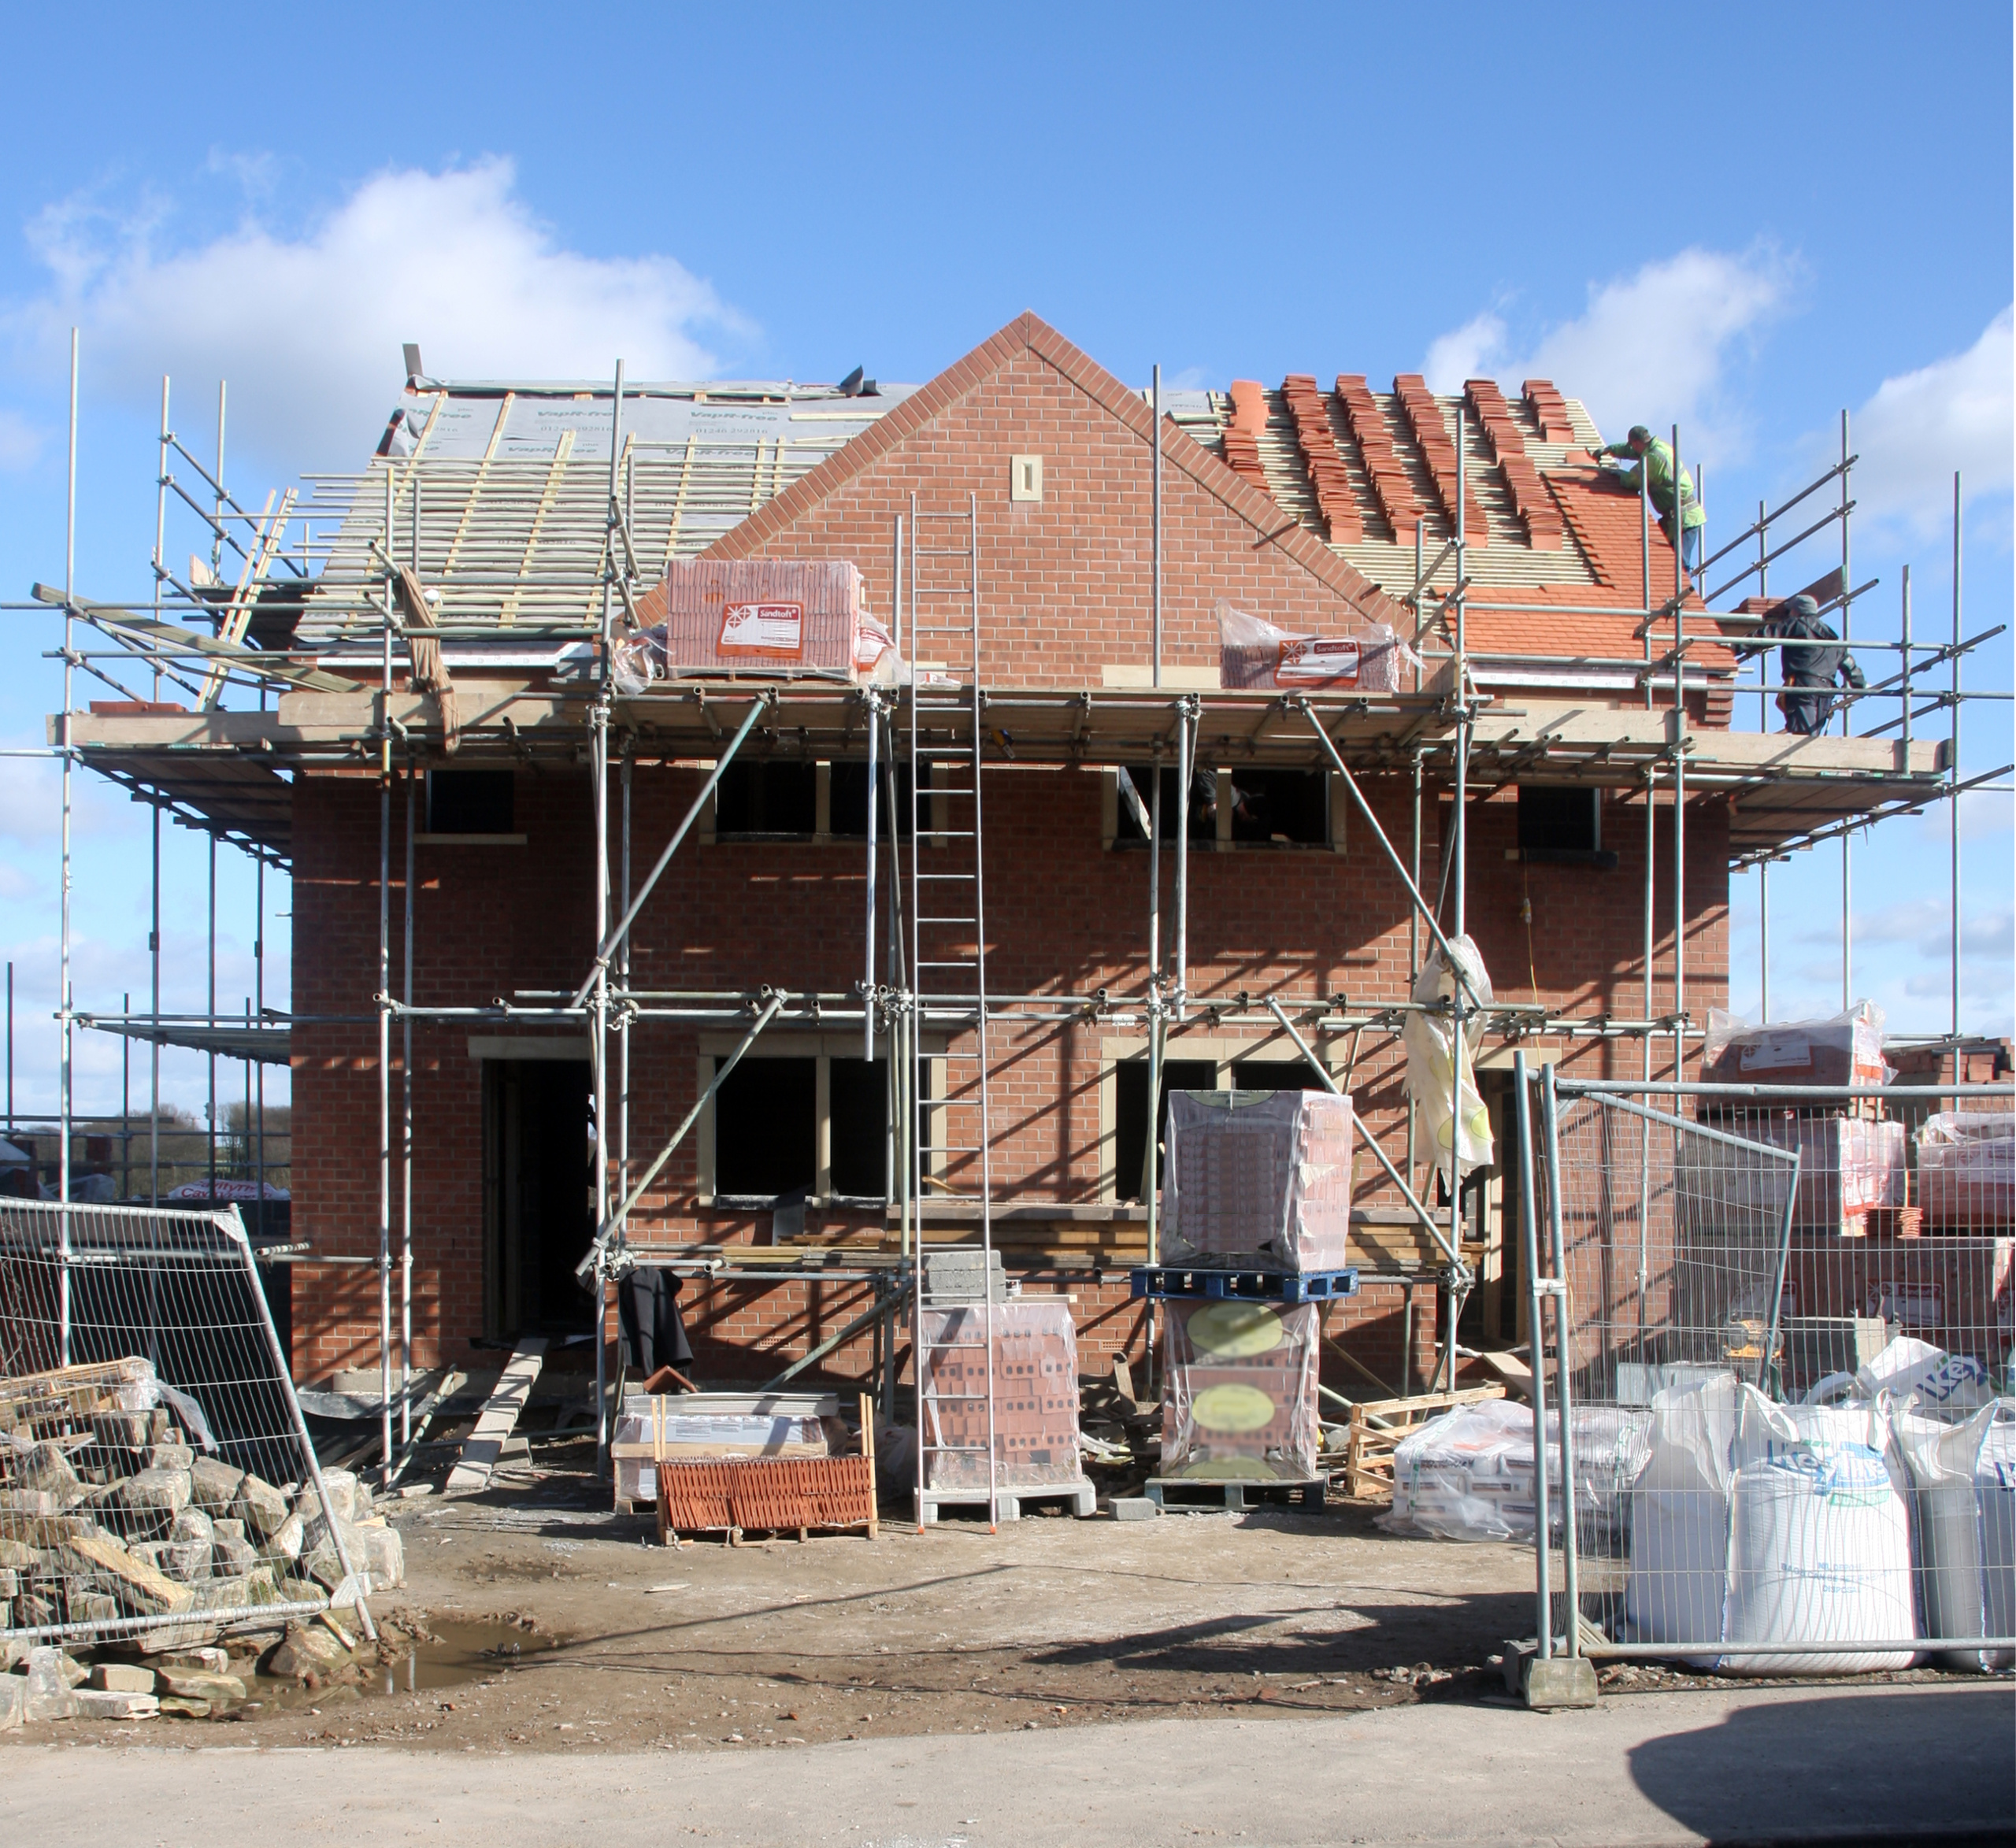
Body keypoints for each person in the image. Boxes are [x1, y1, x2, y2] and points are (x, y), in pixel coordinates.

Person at [1737, 593, 1866, 735]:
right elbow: (1849, 665)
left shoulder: (1797, 625)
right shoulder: (1832, 638)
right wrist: (1861, 686)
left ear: (1796, 611)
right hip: (1826, 692)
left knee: (1804, 736)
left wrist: (1735, 646)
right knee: (1812, 735)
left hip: (1803, 688)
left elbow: (1766, 635)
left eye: (1790, 611)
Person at [1594, 425, 1706, 574]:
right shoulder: (1658, 447)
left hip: (1685, 519)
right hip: (1675, 518)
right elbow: (1631, 451)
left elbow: (1633, 480)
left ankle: (1683, 588)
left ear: (1636, 443)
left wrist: (1619, 475)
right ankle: (1674, 587)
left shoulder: (1653, 459)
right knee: (1664, 562)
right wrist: (1610, 450)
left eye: (1633, 445)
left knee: (1680, 564)